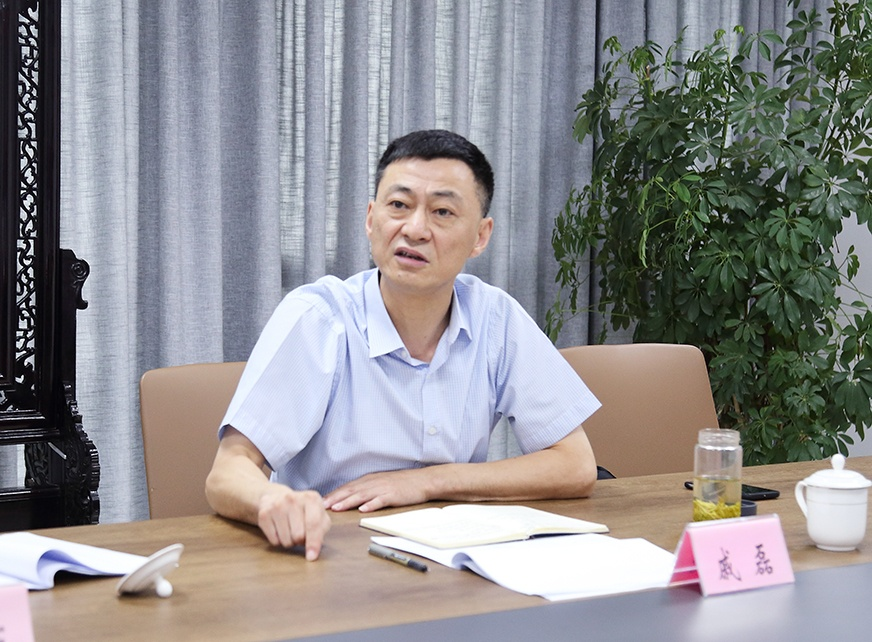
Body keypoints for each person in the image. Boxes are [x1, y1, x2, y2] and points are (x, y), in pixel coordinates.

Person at [205, 129, 601, 561]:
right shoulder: (319, 318)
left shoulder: (496, 318)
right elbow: (228, 472)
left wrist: (429, 481)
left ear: (480, 236)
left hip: (457, 558)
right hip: (331, 552)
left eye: (442, 212)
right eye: (398, 205)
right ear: (370, 218)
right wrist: (271, 501)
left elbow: (575, 465)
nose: (414, 229)